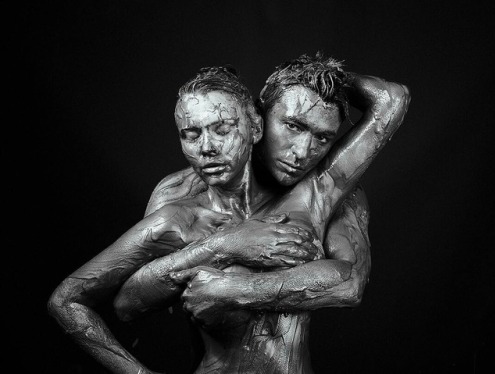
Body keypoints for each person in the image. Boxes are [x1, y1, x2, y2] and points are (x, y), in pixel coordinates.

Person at [112, 54, 410, 373]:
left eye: (322, 137)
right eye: (293, 126)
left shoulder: (337, 193)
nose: (301, 152)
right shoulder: (182, 193)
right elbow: (132, 301)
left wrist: (324, 77)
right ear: (259, 117)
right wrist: (223, 246)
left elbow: (349, 285)